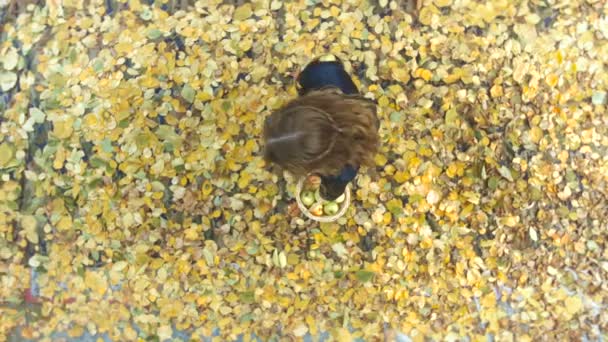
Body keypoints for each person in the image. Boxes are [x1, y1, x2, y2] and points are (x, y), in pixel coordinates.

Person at [263, 56, 379, 200]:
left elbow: (332, 192)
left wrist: (325, 193)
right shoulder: (322, 71)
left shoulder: (344, 170)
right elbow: (323, 68)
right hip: (358, 107)